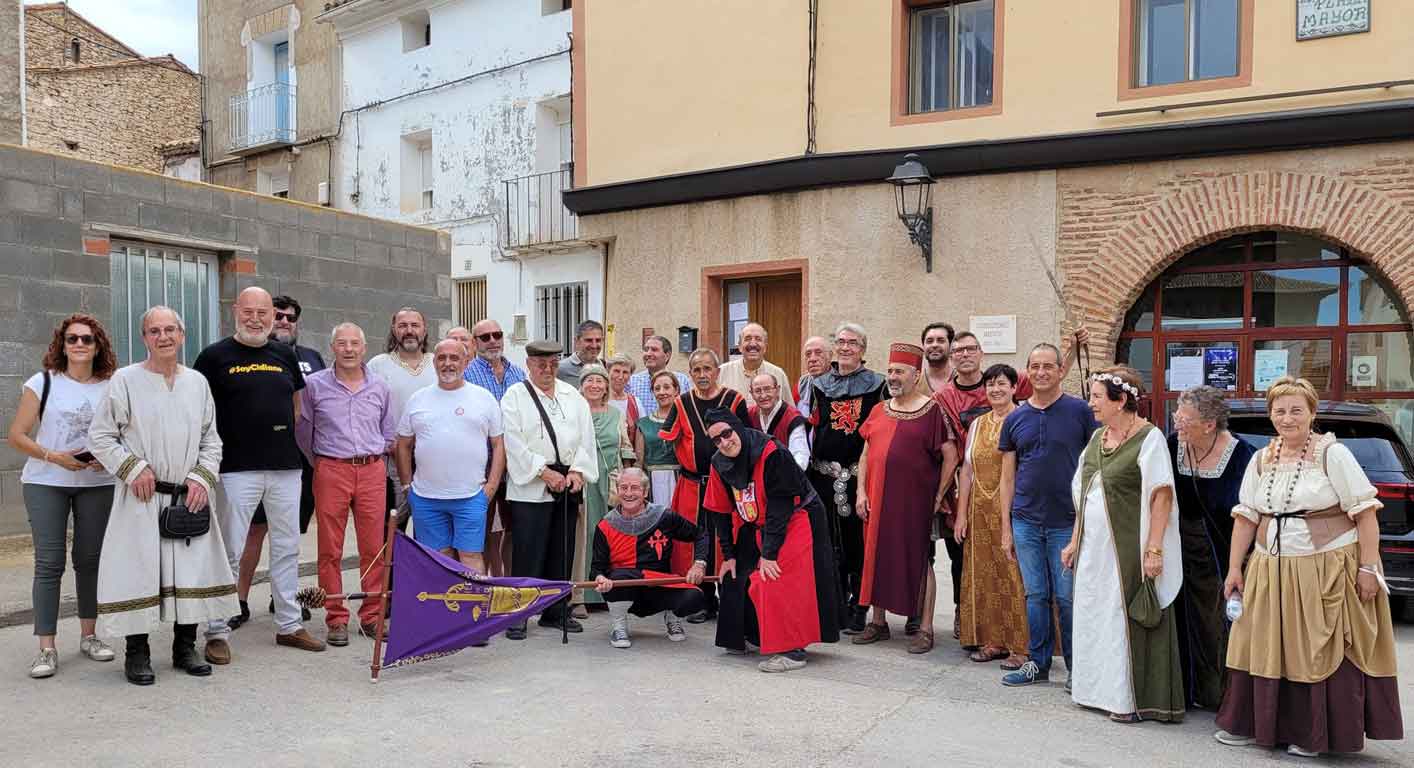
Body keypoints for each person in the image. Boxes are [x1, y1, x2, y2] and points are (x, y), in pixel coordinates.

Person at [1215, 376, 1404, 758]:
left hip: (1325, 566)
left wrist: (1369, 568)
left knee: (1315, 649)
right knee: (1262, 645)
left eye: (1296, 410)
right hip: (1269, 567)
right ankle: (1258, 725)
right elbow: (1246, 517)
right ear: (1271, 414)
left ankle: (1312, 733)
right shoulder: (1261, 458)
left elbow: (1365, 513)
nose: (1288, 418)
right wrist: (1236, 568)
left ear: (1312, 413)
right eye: (1280, 411)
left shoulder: (1332, 455)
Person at [89, 306, 236, 685]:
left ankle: (184, 648)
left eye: (171, 329)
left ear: (182, 336)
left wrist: (203, 478)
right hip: (141, 496)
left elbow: (211, 439)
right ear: (144, 338)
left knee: (189, 570)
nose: (164, 336)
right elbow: (101, 436)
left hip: (188, 495)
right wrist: (133, 468)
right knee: (139, 570)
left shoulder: (197, 383)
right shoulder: (124, 380)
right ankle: (137, 653)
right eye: (155, 331)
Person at [196, 287, 323, 661]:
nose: (256, 318)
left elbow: (296, 408)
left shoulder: (284, 354)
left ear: (271, 315)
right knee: (230, 550)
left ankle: (288, 625)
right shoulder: (214, 357)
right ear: (236, 311)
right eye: (248, 311)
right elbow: (203, 413)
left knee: (287, 548)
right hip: (235, 469)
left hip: (284, 467)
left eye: (263, 312)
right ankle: (217, 631)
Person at [1063, 366, 1183, 724]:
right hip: (1092, 549)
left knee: (1119, 617)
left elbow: (1162, 495)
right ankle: (1091, 689)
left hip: (1127, 549)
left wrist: (1155, 549)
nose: (1091, 404)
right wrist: (1073, 541)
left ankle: (1124, 698)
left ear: (1121, 400)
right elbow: (1083, 494)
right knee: (1092, 612)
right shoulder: (1097, 438)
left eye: (1097, 397)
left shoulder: (1149, 438)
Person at [7, 314, 117, 678]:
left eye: (87, 339)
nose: (80, 345)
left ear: (98, 345)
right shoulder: (42, 383)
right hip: (46, 481)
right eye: (73, 339)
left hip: (96, 483)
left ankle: (89, 636)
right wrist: (54, 457)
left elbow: (124, 433)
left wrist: (107, 458)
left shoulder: (111, 385)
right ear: (62, 344)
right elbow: (18, 435)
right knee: (49, 563)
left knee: (90, 560)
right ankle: (47, 647)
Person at [703, 409, 840, 672]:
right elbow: (719, 511)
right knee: (736, 575)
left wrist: (769, 554)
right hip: (759, 523)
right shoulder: (719, 462)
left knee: (773, 577)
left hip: (798, 517)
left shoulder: (771, 452)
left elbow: (781, 505)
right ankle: (750, 636)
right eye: (716, 439)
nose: (723, 442)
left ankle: (793, 651)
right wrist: (729, 556)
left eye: (727, 434)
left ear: (737, 428)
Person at [999, 342, 1099, 688]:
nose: (1041, 373)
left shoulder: (1081, 412)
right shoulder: (1015, 418)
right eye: (1034, 366)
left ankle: (1078, 669)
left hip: (1066, 522)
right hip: (1025, 520)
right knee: (1035, 595)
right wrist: (1006, 528)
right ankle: (1037, 663)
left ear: (1060, 371)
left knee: (1068, 598)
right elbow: (1007, 477)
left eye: (1048, 366)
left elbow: (1094, 466)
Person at [853, 343, 958, 655]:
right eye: (890, 371)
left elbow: (950, 456)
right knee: (876, 556)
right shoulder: (879, 410)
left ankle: (925, 629)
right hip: (876, 499)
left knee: (920, 560)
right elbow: (867, 452)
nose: (893, 377)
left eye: (899, 371)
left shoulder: (931, 410)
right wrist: (861, 491)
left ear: (915, 376)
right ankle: (878, 621)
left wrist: (938, 495)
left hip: (914, 503)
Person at [295, 323, 396, 646]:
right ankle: (336, 618)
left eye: (355, 343)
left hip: (371, 470)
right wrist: (322, 464)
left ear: (364, 348)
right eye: (342, 343)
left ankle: (370, 616)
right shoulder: (314, 386)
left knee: (373, 548)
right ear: (333, 347)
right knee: (329, 550)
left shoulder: (380, 386)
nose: (349, 349)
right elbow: (303, 431)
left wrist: (373, 458)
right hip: (331, 469)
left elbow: (389, 433)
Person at [229, 294, 325, 629]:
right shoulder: (237, 355)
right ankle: (237, 600)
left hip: (296, 463)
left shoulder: (311, 358)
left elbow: (305, 408)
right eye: (279, 315)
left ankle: (282, 600)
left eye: (290, 318)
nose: (284, 322)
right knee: (252, 534)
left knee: (288, 538)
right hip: (247, 464)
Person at [500, 340, 598, 639]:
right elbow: (513, 443)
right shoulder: (514, 397)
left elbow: (586, 437)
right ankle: (520, 614)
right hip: (531, 485)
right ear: (528, 364)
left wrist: (579, 471)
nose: (547, 369)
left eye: (553, 363)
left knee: (562, 549)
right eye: (541, 364)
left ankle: (556, 610)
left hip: (567, 482)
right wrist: (543, 472)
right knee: (528, 552)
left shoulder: (573, 396)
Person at [1168, 386, 1256, 710]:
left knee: (1220, 622)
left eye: (1184, 419)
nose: (1177, 423)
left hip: (1222, 554)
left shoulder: (1242, 456)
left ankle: (1225, 697)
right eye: (1177, 415)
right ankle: (1189, 690)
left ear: (1209, 425)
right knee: (1183, 619)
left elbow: (1250, 513)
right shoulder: (1173, 445)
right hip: (1180, 550)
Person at [396, 339, 505, 573]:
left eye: (454, 358)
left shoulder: (483, 398)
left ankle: (472, 608)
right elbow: (403, 444)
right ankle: (443, 609)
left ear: (466, 361)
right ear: (434, 363)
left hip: (471, 496)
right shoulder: (418, 399)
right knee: (438, 558)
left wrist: (492, 486)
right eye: (441, 358)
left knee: (471, 556)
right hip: (426, 498)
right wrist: (407, 486)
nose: (447, 363)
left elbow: (498, 444)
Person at [806, 322, 886, 633]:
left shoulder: (877, 384)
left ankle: (859, 607)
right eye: (841, 342)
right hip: (822, 476)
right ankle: (833, 604)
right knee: (827, 541)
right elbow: (812, 426)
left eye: (852, 342)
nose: (846, 347)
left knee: (857, 542)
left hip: (858, 476)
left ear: (863, 349)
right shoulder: (818, 384)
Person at [660, 347, 750, 622]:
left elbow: (745, 439)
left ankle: (731, 600)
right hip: (692, 485)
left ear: (717, 371)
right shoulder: (681, 403)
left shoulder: (734, 400)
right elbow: (667, 438)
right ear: (690, 374)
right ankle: (702, 600)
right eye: (696, 370)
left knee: (727, 540)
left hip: (726, 483)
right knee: (695, 541)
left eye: (707, 369)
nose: (702, 375)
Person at [954, 364, 1029, 670]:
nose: (995, 390)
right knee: (982, 575)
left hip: (1012, 509)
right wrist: (961, 515)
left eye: (1002, 384)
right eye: (990, 385)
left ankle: (1020, 645)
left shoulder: (1023, 418)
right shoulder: (978, 424)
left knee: (1014, 576)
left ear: (1014, 388)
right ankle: (991, 640)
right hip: (979, 510)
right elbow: (967, 470)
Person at [592, 468, 709, 649]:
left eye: (635, 488)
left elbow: (700, 535)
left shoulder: (665, 517)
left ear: (645, 492)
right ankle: (619, 625)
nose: (629, 493)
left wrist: (699, 564)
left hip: (660, 585)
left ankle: (673, 617)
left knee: (695, 597)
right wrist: (600, 578)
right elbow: (597, 568)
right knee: (617, 578)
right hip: (625, 586)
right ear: (617, 490)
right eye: (623, 488)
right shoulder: (605, 526)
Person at [462, 318, 526, 577]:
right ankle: (490, 582)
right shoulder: (467, 375)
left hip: (516, 467)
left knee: (514, 529)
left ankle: (510, 584)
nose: (492, 341)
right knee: (483, 530)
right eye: (484, 337)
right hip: (481, 468)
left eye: (496, 335)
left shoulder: (519, 373)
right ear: (475, 343)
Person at [572, 364, 634, 615]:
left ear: (607, 386)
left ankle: (610, 593)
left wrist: (627, 479)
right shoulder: (574, 413)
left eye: (600, 381)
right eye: (590, 381)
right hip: (584, 481)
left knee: (610, 536)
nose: (595, 385)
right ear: (582, 385)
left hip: (608, 484)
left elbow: (625, 448)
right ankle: (580, 596)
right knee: (583, 536)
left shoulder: (616, 415)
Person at [367, 307, 435, 529]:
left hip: (432, 463)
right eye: (403, 325)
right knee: (392, 528)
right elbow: (367, 410)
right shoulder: (377, 365)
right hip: (393, 462)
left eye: (415, 325)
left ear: (424, 330)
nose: (409, 331)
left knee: (430, 530)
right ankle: (393, 566)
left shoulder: (438, 363)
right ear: (394, 330)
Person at [718, 322, 795, 408]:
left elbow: (790, 411)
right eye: (747, 339)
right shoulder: (722, 372)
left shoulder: (778, 374)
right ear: (739, 346)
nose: (753, 344)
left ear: (765, 347)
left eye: (758, 339)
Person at [634, 370, 682, 505]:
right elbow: (639, 461)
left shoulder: (685, 420)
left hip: (681, 479)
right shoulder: (644, 424)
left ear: (676, 390)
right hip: (652, 480)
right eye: (657, 388)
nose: (662, 392)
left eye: (667, 387)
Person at [747, 372, 808, 469]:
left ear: (777, 389)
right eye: (758, 391)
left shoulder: (792, 418)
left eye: (767, 389)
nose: (763, 396)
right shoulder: (749, 415)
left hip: (785, 477)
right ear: (752, 394)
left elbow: (800, 457)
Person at [626, 335, 690, 418]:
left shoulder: (682, 380)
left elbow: (689, 412)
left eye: (654, 350)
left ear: (667, 356)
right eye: (646, 349)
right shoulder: (632, 381)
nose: (648, 353)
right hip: (640, 430)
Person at [606, 353, 641, 447]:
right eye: (616, 371)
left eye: (625, 372)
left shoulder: (636, 402)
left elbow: (641, 433)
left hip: (629, 458)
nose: (620, 376)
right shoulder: (599, 400)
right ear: (608, 371)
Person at [557, 320, 605, 385]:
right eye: (589, 340)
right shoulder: (560, 369)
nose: (594, 345)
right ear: (577, 341)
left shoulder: (604, 368)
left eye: (598, 340)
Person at [795, 335, 830, 418]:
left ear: (830, 356)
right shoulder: (801, 384)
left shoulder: (841, 383)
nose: (812, 359)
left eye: (818, 353)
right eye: (808, 354)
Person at [921, 322, 954, 393]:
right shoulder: (914, 382)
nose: (934, 345)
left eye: (941, 340)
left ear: (951, 346)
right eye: (929, 341)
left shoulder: (962, 380)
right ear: (923, 347)